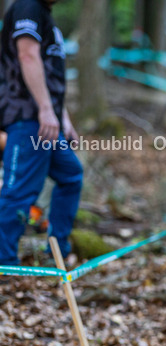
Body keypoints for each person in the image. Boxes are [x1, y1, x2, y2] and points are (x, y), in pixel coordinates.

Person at [0, 0, 82, 267]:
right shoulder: (27, 7)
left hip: (48, 121)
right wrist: (45, 109)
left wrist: (62, 116)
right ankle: (5, 263)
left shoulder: (43, 13)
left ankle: (56, 250)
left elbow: (48, 71)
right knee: (20, 191)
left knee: (71, 175)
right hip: (28, 118)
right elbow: (27, 55)